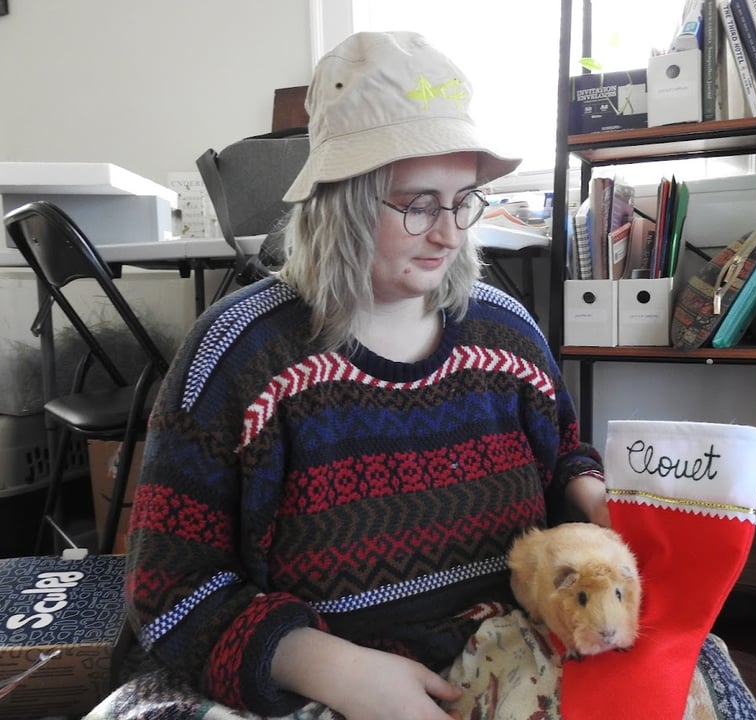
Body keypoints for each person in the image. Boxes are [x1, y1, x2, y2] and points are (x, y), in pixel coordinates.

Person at [107, 31, 609, 720]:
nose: (450, 234)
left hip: (510, 646)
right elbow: (169, 589)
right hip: (311, 675)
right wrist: (330, 669)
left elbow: (564, 456)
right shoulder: (237, 358)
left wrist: (595, 499)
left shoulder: (508, 336)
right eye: (418, 204)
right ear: (338, 202)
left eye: (463, 199)